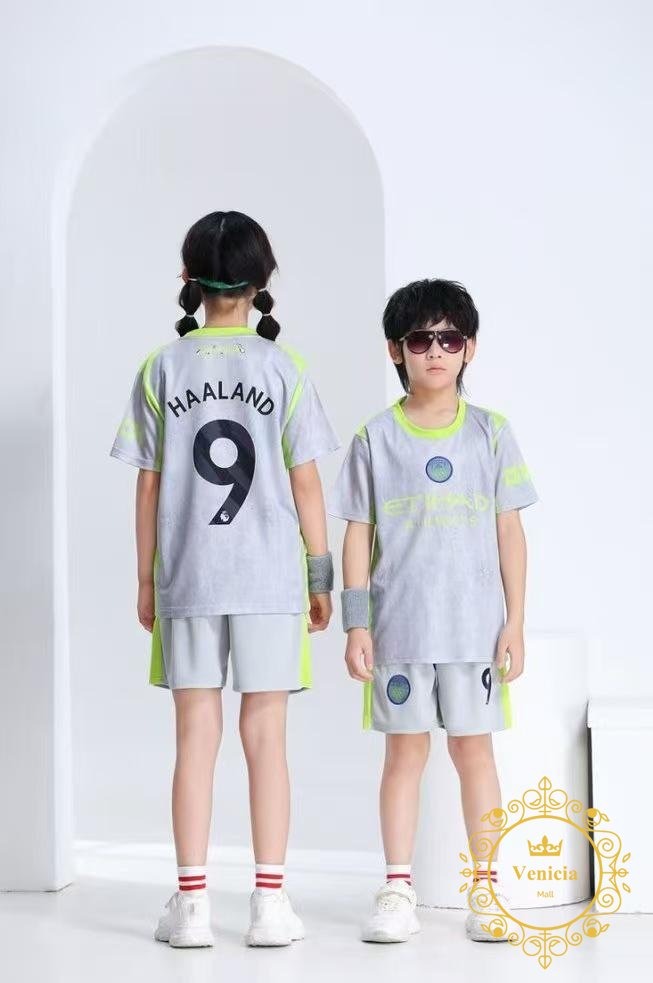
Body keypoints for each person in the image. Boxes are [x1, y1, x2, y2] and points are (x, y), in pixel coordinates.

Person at [109, 210, 340, 948]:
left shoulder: (161, 367)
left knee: (194, 736)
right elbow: (307, 482)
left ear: (188, 279)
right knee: (266, 737)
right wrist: (321, 574)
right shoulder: (284, 367)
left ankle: (192, 907)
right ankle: (269, 905)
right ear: (262, 281)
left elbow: (148, 486)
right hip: (271, 577)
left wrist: (145, 579)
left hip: (189, 577)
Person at [326, 278, 539, 943]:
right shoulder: (374, 437)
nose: (436, 351)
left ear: (469, 347)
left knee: (475, 754)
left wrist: (515, 620)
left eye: (449, 338)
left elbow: (509, 530)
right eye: (421, 339)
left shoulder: (490, 433)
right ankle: (397, 888)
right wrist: (356, 622)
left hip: (474, 631)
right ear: (397, 350)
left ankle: (488, 891)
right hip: (400, 630)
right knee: (404, 756)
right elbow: (357, 532)